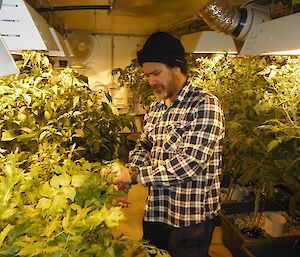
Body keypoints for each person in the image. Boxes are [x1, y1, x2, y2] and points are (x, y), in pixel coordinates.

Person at [111, 31, 225, 257]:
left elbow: (189, 164)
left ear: (177, 67)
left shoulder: (205, 104)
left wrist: (135, 177)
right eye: (147, 75)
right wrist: (128, 172)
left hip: (190, 218)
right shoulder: (157, 107)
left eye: (156, 73)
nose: (151, 81)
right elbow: (145, 146)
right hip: (157, 209)